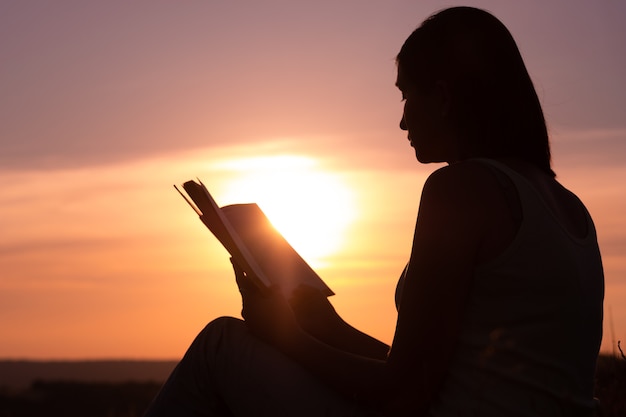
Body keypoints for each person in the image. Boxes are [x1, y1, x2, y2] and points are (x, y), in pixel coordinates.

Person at [144, 6, 604, 417]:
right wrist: (326, 328)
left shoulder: (461, 190)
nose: (402, 119)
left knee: (219, 346)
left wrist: (283, 335)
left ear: (443, 98)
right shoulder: (571, 210)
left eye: (407, 95)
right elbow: (429, 367)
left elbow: (403, 394)